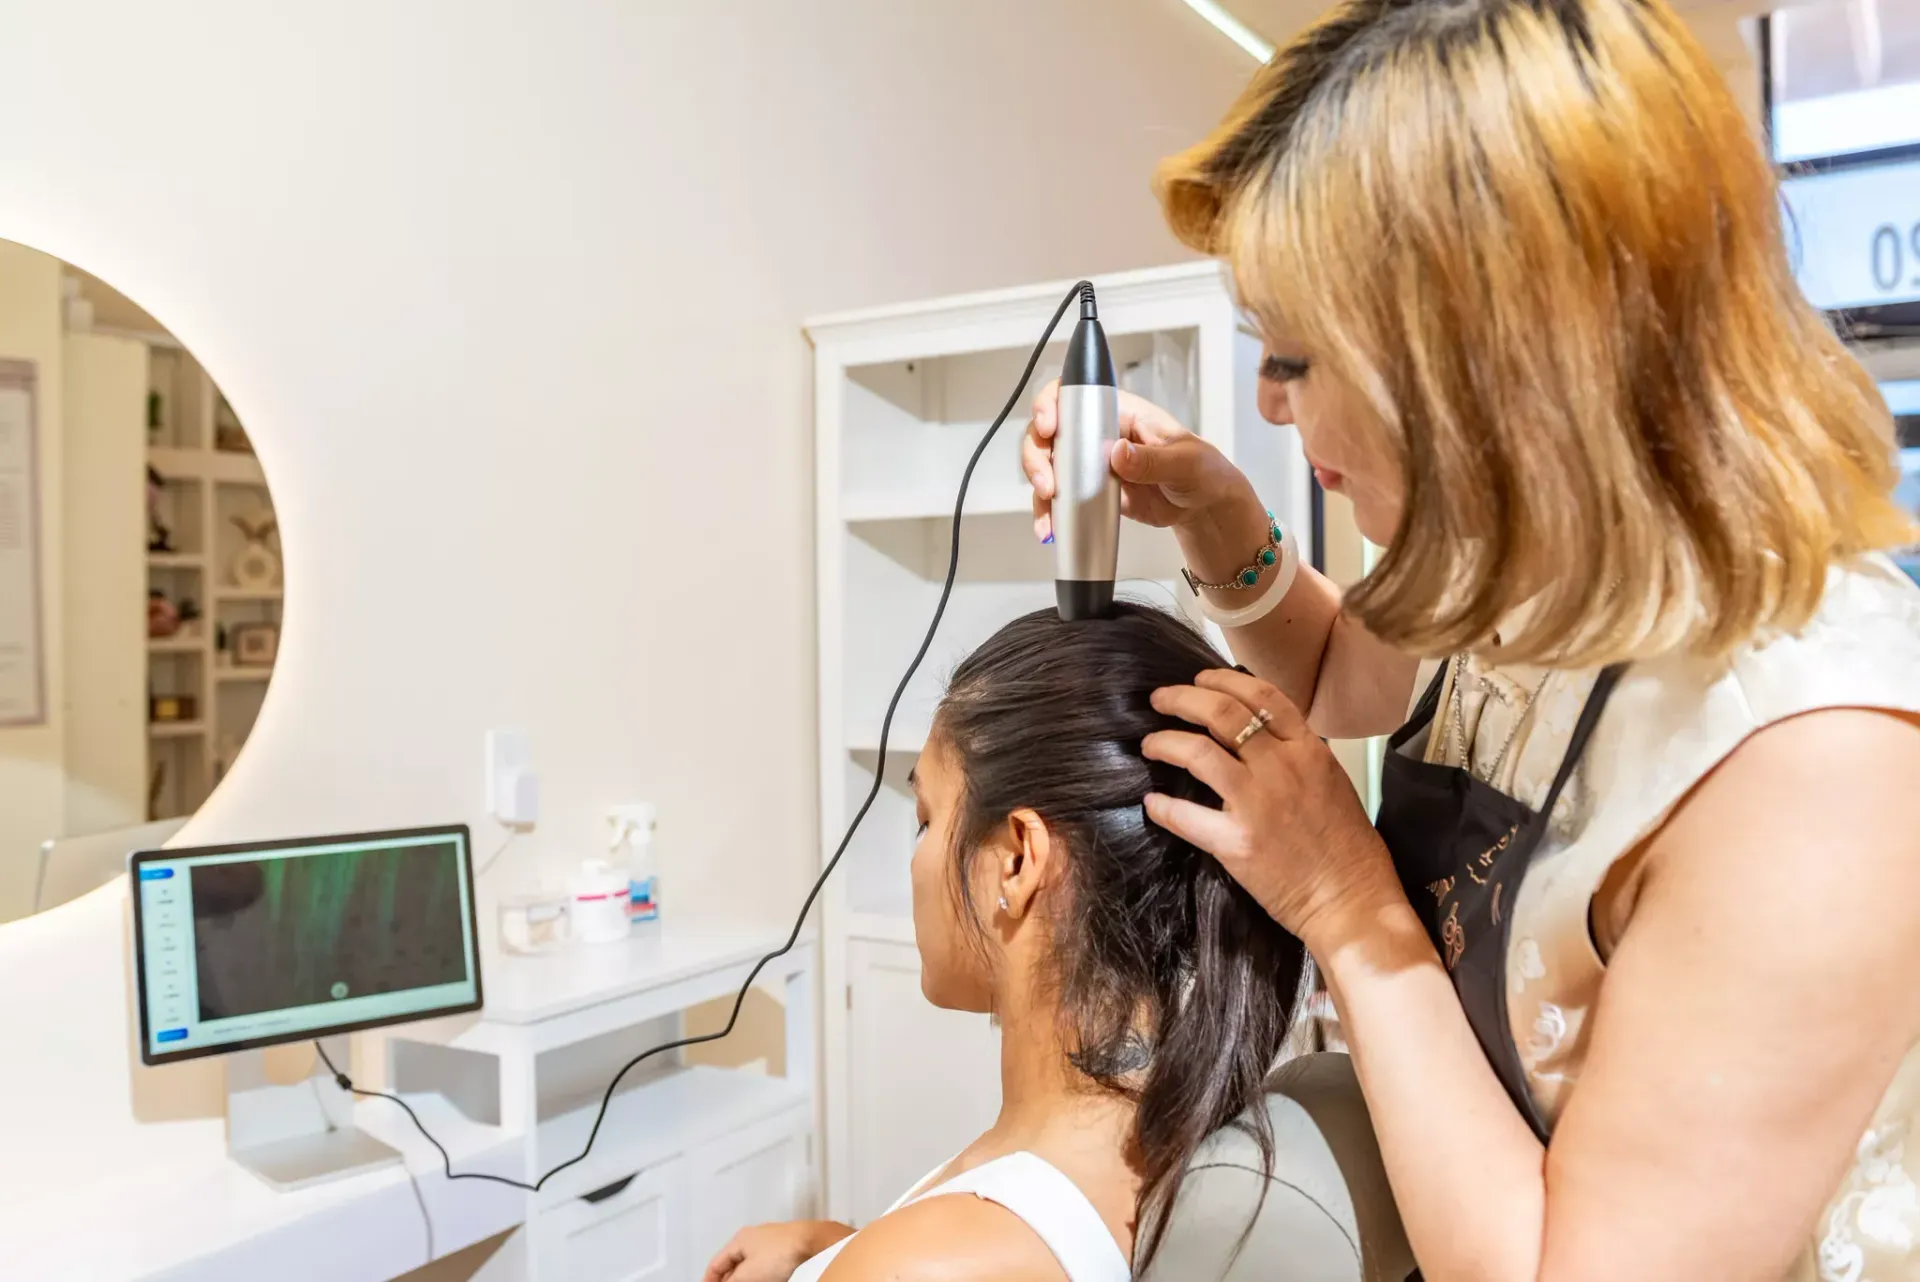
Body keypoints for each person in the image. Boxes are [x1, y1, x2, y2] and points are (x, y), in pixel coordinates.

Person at [1021, 0, 1920, 1277]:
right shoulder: (1532, 556)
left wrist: (1348, 904)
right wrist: (1223, 516)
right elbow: (1342, 673)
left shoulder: (1814, 759)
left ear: (1489, 369)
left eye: (1293, 356)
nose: (1275, 399)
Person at [703, 605, 1327, 1282]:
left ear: (1017, 859)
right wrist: (837, 1251)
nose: (915, 861)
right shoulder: (1165, 1135)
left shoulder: (928, 1265)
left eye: (927, 818)